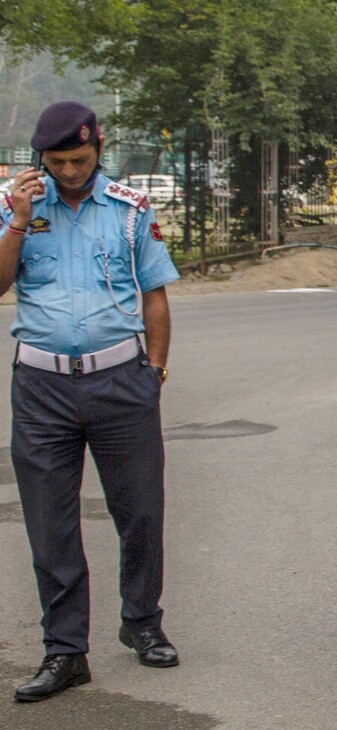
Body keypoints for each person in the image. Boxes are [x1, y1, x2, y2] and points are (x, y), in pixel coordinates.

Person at [0, 101, 181, 702]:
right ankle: (64, 651)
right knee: (51, 525)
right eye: (58, 162)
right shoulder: (16, 206)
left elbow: (153, 292)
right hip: (41, 387)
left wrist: (152, 371)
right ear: (39, 159)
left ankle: (142, 622)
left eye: (80, 159)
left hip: (120, 382)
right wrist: (19, 220)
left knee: (141, 512)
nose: (70, 171)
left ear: (98, 147)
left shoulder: (130, 209)